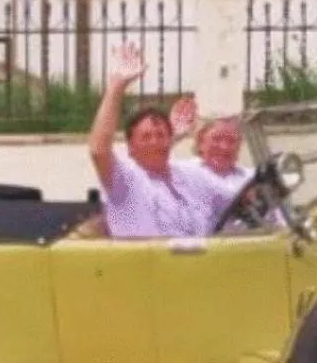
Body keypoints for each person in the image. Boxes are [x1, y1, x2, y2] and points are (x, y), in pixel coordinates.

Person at [86, 43, 234, 238]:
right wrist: (116, 86)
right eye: (146, 137)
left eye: (161, 135)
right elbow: (99, 150)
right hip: (145, 265)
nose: (155, 142)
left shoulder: (189, 174)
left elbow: (234, 196)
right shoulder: (126, 179)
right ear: (131, 147)